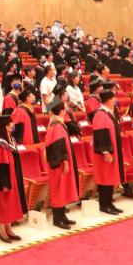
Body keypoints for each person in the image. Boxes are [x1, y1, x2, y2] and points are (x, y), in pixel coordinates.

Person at [0, 113, 27, 242]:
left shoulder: (10, 139)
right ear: (6, 126)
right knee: (3, 204)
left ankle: (8, 228)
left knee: (9, 203)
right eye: (11, 123)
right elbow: (0, 165)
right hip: (3, 179)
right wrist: (4, 183)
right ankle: (2, 231)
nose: (13, 124)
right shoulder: (1, 144)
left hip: (12, 176)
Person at [44, 95, 80, 226]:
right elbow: (59, 146)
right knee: (59, 189)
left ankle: (62, 215)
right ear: (61, 111)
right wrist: (65, 162)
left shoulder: (57, 124)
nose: (65, 110)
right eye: (64, 109)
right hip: (58, 165)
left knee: (62, 189)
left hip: (58, 163)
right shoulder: (57, 126)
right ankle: (57, 218)